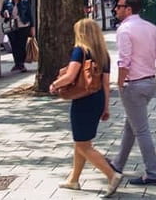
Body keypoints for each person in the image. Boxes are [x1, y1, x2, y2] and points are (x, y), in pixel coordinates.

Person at [110, 0, 156, 186]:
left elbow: (124, 60)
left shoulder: (124, 30)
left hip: (134, 84)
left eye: (119, 5)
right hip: (150, 83)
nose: (116, 8)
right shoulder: (150, 27)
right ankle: (117, 164)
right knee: (131, 125)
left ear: (129, 9)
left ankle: (152, 172)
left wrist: (120, 83)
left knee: (140, 129)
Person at [49, 18, 122, 197]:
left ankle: (111, 175)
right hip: (96, 99)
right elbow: (106, 84)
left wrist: (54, 85)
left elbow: (71, 75)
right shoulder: (104, 54)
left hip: (82, 100)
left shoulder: (80, 51)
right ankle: (73, 180)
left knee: (83, 144)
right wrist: (106, 107)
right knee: (82, 142)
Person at [1, 0, 34, 72]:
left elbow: (30, 15)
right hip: (12, 27)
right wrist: (4, 14)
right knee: (14, 46)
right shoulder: (7, 2)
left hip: (23, 26)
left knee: (22, 46)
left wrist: (32, 27)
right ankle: (17, 63)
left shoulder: (25, 2)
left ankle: (21, 64)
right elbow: (2, 13)